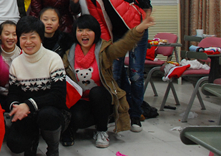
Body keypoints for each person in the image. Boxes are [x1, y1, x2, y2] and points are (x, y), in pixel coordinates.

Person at [62, 15, 155, 148]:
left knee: (97, 92)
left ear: (96, 32)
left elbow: (124, 44)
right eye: (80, 30)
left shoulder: (104, 51)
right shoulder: (69, 54)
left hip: (103, 99)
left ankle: (102, 131)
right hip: (80, 100)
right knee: (77, 118)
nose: (84, 34)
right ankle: (82, 124)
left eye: (89, 30)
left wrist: (139, 29)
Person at [85, 0, 147, 132]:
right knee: (114, 74)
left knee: (136, 75)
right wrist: (108, 45)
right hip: (117, 36)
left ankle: (136, 116)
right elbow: (101, 24)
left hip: (136, 31)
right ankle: (120, 113)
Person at [7, 16, 66, 156]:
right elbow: (13, 93)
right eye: (24, 38)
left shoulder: (53, 59)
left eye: (32, 37)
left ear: (41, 38)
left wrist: (29, 105)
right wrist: (16, 106)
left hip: (51, 110)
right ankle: (32, 141)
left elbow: (58, 95)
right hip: (28, 112)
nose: (28, 42)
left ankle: (53, 149)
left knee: (48, 116)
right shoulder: (16, 63)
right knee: (15, 143)